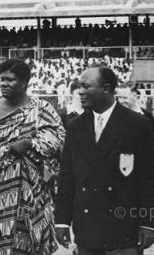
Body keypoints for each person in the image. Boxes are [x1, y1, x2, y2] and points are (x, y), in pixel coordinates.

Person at [55, 65, 154, 255]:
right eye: (78, 86)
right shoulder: (75, 126)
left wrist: (148, 223)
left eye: (86, 86)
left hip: (124, 228)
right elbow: (67, 176)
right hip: (87, 229)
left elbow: (148, 178)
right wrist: (62, 220)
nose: (80, 92)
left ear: (107, 89)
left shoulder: (138, 124)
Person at [0, 58, 64, 255]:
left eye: (10, 80)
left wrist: (30, 143)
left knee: (29, 241)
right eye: (2, 79)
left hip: (32, 188)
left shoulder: (42, 109)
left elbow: (59, 141)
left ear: (23, 83)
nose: (4, 83)